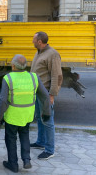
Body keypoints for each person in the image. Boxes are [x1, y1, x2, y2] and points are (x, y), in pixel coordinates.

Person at [0, 54, 51, 173]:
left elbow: (2, 100)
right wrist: (46, 113)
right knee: (24, 136)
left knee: (11, 139)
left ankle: (13, 164)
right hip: (27, 115)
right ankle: (26, 160)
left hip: (12, 116)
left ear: (14, 66)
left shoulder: (8, 78)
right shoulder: (33, 77)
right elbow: (45, 96)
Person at [30, 31, 63, 160]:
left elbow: (57, 76)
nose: (32, 41)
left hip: (45, 94)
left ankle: (49, 150)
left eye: (34, 39)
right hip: (37, 92)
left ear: (39, 41)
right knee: (39, 117)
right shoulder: (39, 52)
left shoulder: (53, 54)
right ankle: (41, 142)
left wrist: (52, 95)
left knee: (48, 120)